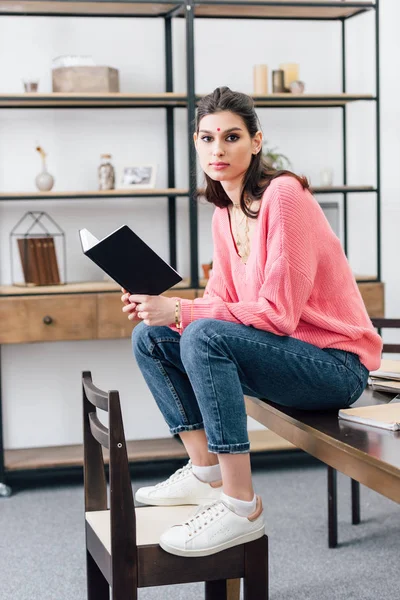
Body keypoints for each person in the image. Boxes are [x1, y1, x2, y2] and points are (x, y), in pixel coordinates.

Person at [121, 86, 382, 558]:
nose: (217, 149)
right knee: (151, 337)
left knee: (198, 330)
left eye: (231, 137)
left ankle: (241, 507)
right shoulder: (225, 210)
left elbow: (277, 315)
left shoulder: (285, 195)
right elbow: (220, 300)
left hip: (335, 367)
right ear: (196, 143)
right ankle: (205, 471)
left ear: (256, 142)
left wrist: (183, 312)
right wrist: (162, 309)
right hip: (285, 357)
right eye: (206, 138)